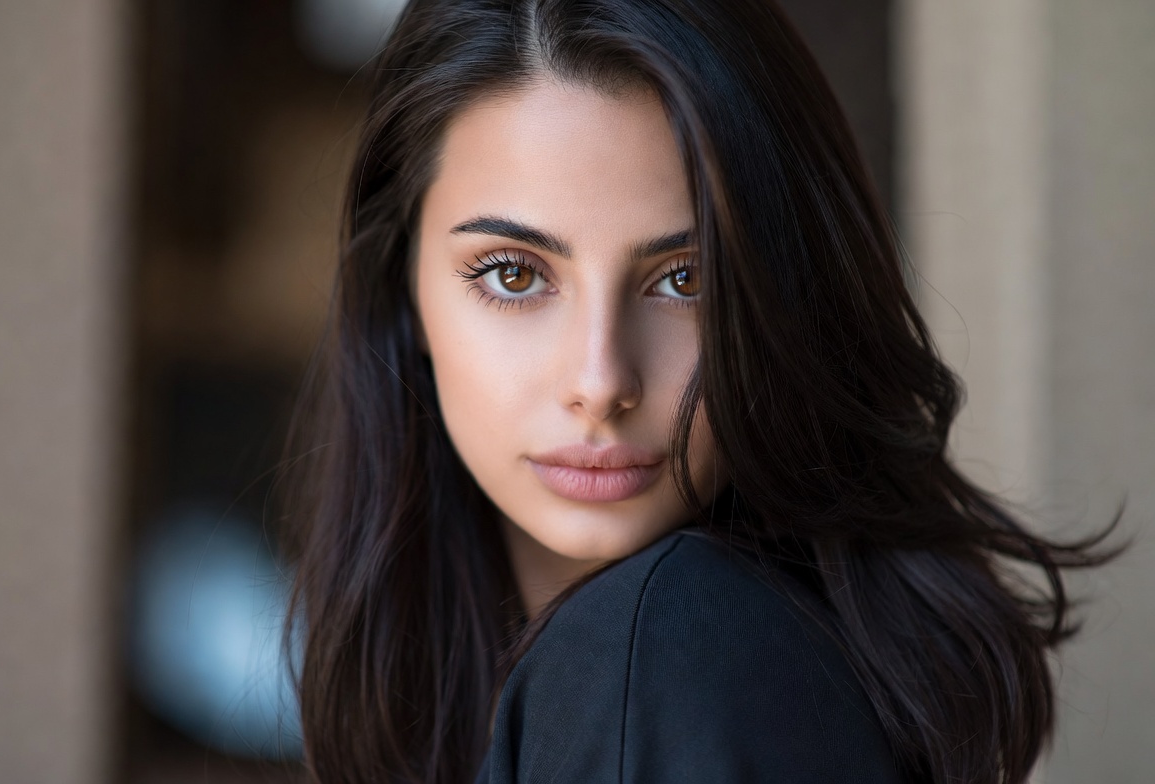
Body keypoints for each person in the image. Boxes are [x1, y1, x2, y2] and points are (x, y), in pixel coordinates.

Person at [282, 1, 1116, 782]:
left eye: (687, 279)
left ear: (790, 299)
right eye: (514, 274)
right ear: (404, 290)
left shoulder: (658, 654)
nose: (601, 381)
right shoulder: (739, 659)